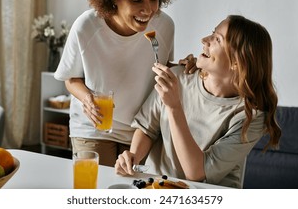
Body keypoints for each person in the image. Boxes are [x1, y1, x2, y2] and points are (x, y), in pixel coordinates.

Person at [54, 0, 196, 167]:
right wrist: (88, 99)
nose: (148, 10)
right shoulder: (87, 27)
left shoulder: (165, 26)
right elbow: (71, 78)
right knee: (96, 192)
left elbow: (160, 68)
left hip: (141, 129)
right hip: (94, 128)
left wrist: (184, 68)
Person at [115, 15, 282, 188]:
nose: (204, 40)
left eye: (217, 39)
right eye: (212, 33)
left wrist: (174, 106)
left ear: (237, 62)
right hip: (156, 187)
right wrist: (133, 156)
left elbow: (196, 173)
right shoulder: (178, 77)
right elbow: (147, 128)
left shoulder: (250, 116)